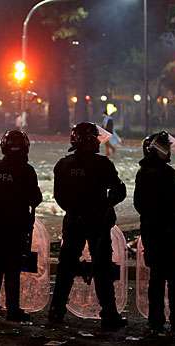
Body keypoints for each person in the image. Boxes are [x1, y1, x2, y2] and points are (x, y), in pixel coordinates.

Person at [48, 122, 128, 331]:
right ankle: (109, 314)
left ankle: (56, 312)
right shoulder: (103, 164)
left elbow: (59, 197)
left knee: (66, 268)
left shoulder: (63, 165)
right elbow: (119, 190)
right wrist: (106, 206)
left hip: (74, 222)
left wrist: (77, 211)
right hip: (98, 223)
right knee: (102, 269)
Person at [134, 131, 175, 334]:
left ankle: (156, 320)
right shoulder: (164, 173)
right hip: (164, 232)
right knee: (172, 278)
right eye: (164, 148)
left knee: (158, 278)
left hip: (154, 232)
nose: (168, 152)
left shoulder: (145, 173)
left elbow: (141, 205)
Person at [0, 130, 43, 322]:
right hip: (17, 227)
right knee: (13, 269)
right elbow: (35, 198)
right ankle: (13, 309)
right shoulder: (27, 171)